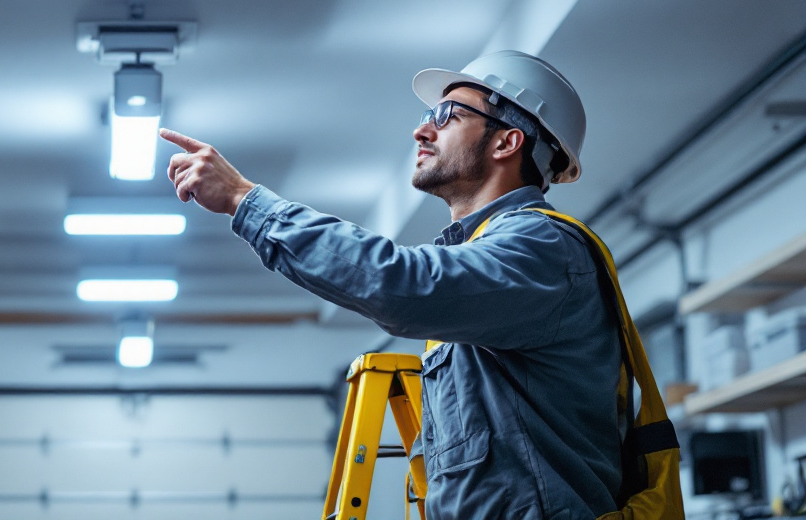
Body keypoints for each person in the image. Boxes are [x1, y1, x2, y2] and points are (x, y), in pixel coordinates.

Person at [160, 50, 622, 520]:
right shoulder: (486, 259)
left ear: (507, 142)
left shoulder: (541, 246)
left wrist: (244, 199)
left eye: (447, 115)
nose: (422, 130)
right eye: (427, 116)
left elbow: (402, 284)